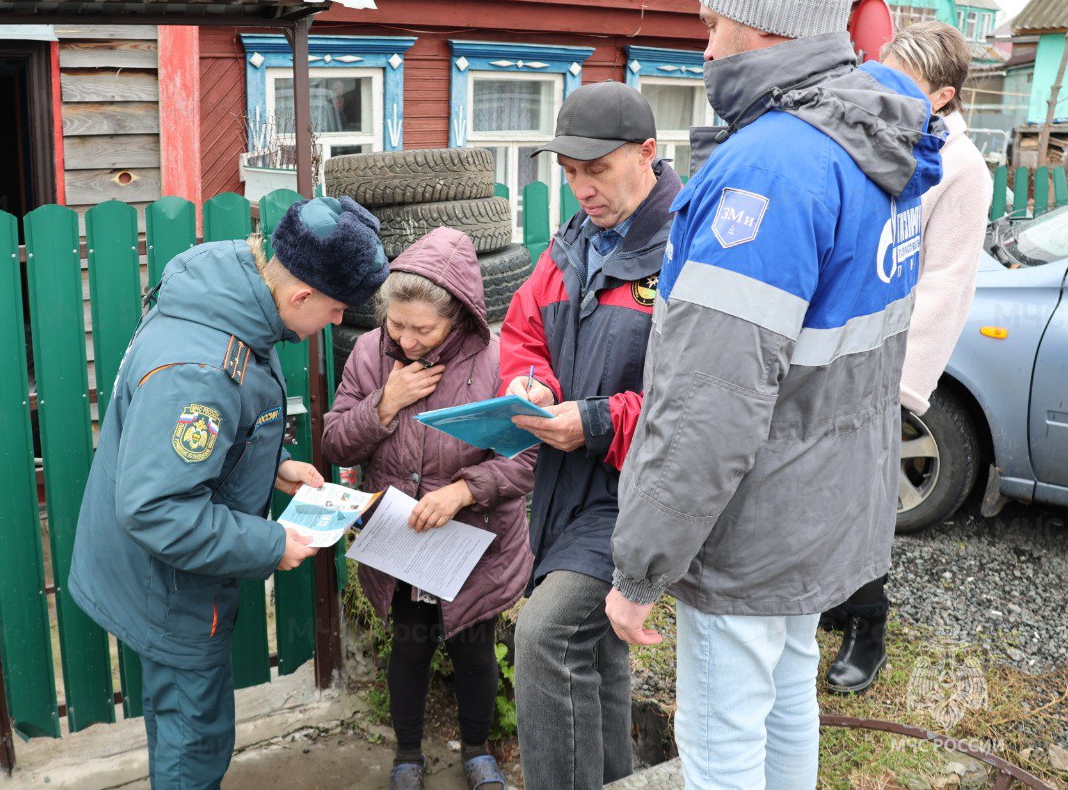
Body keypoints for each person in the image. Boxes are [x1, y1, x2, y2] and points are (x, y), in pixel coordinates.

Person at [604, 0, 946, 786]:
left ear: (765, 28)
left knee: (721, 739)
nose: (707, 47)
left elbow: (709, 404)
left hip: (753, 519)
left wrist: (641, 569)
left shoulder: (766, 168)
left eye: (714, 23)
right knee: (788, 689)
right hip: (826, 501)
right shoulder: (877, 140)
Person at [68, 196, 388, 789]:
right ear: (299, 296)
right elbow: (156, 507)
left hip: (173, 577)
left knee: (182, 724)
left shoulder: (226, 299)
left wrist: (275, 468)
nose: (339, 323)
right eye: (337, 309)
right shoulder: (204, 366)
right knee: (195, 740)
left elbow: (204, 446)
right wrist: (272, 543)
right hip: (170, 589)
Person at [499, 79, 682, 790]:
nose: (581, 188)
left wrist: (600, 421)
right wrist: (527, 382)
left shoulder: (687, 247)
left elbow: (693, 400)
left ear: (648, 151)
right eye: (569, 172)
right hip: (565, 484)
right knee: (598, 653)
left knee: (545, 634)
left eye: (597, 169)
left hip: (639, 491)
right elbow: (521, 331)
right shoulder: (572, 245)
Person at [323, 226, 534, 790]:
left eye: (423, 329)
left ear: (458, 316)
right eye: (397, 324)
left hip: (475, 539)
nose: (407, 340)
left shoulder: (496, 359)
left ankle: (476, 751)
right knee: (410, 647)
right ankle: (407, 756)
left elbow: (528, 458)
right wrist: (383, 404)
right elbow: (337, 443)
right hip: (402, 539)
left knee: (475, 650)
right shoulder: (370, 354)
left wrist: (463, 491)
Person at [823, 20, 993, 695]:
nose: (881, 86)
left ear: (943, 95)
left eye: (904, 78)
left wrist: (899, 382)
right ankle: (826, 594)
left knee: (864, 494)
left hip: (885, 355)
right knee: (817, 486)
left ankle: (869, 621)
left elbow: (948, 280)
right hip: (833, 338)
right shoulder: (864, 134)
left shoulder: (962, 168)